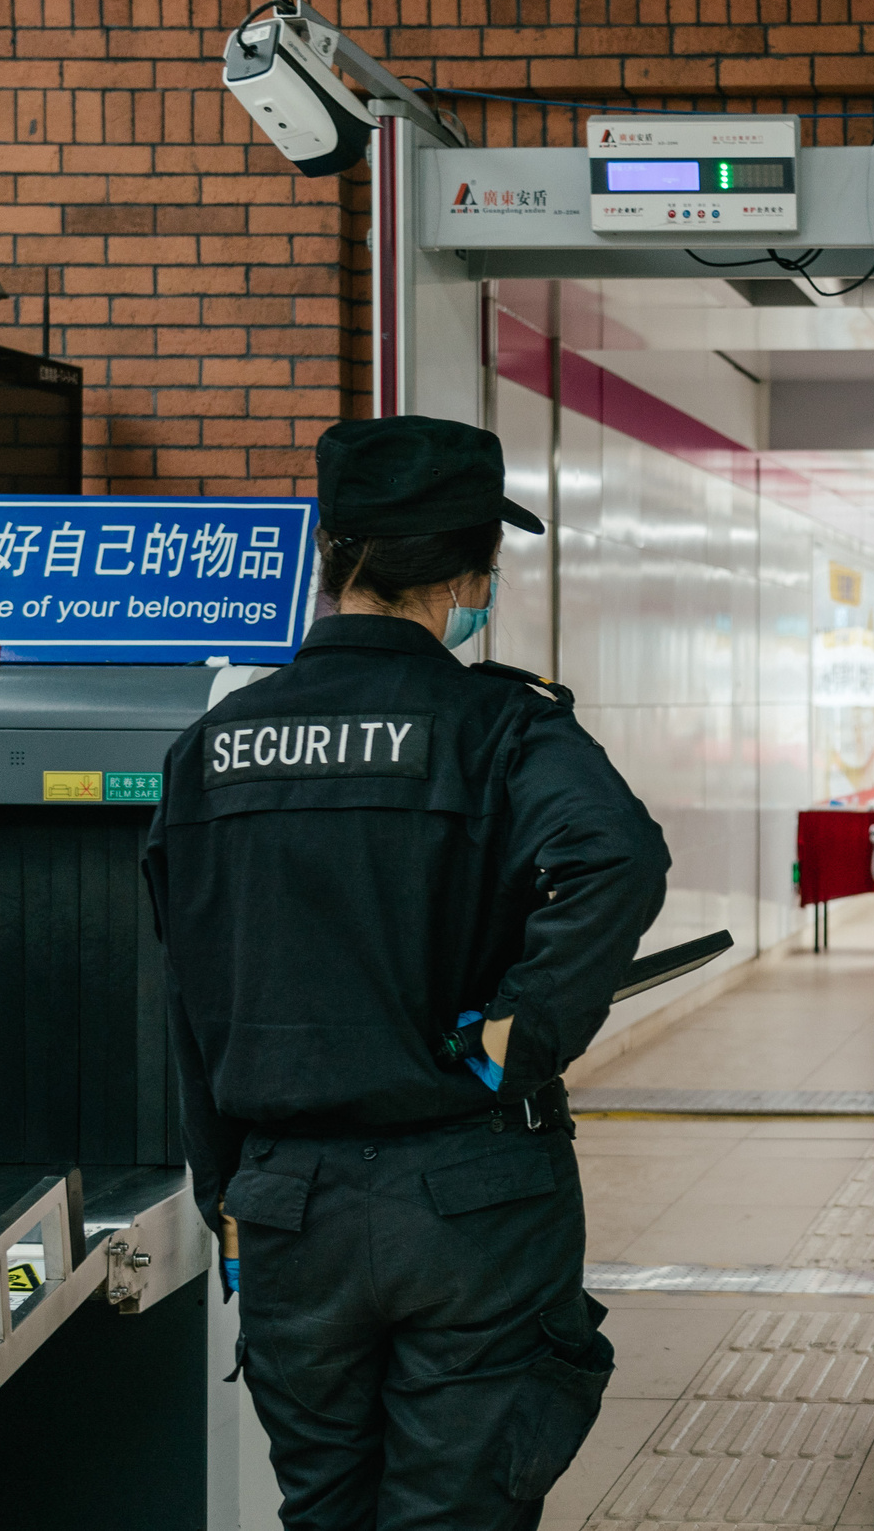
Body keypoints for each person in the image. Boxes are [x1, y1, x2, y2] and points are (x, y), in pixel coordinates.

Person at [144, 415, 671, 1531]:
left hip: (286, 1208)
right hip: (473, 1199)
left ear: (331, 555)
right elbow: (616, 856)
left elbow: (191, 991)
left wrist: (226, 1192)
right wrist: (520, 1034)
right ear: (468, 574)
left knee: (323, 1508)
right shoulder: (499, 727)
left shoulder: (212, 749)